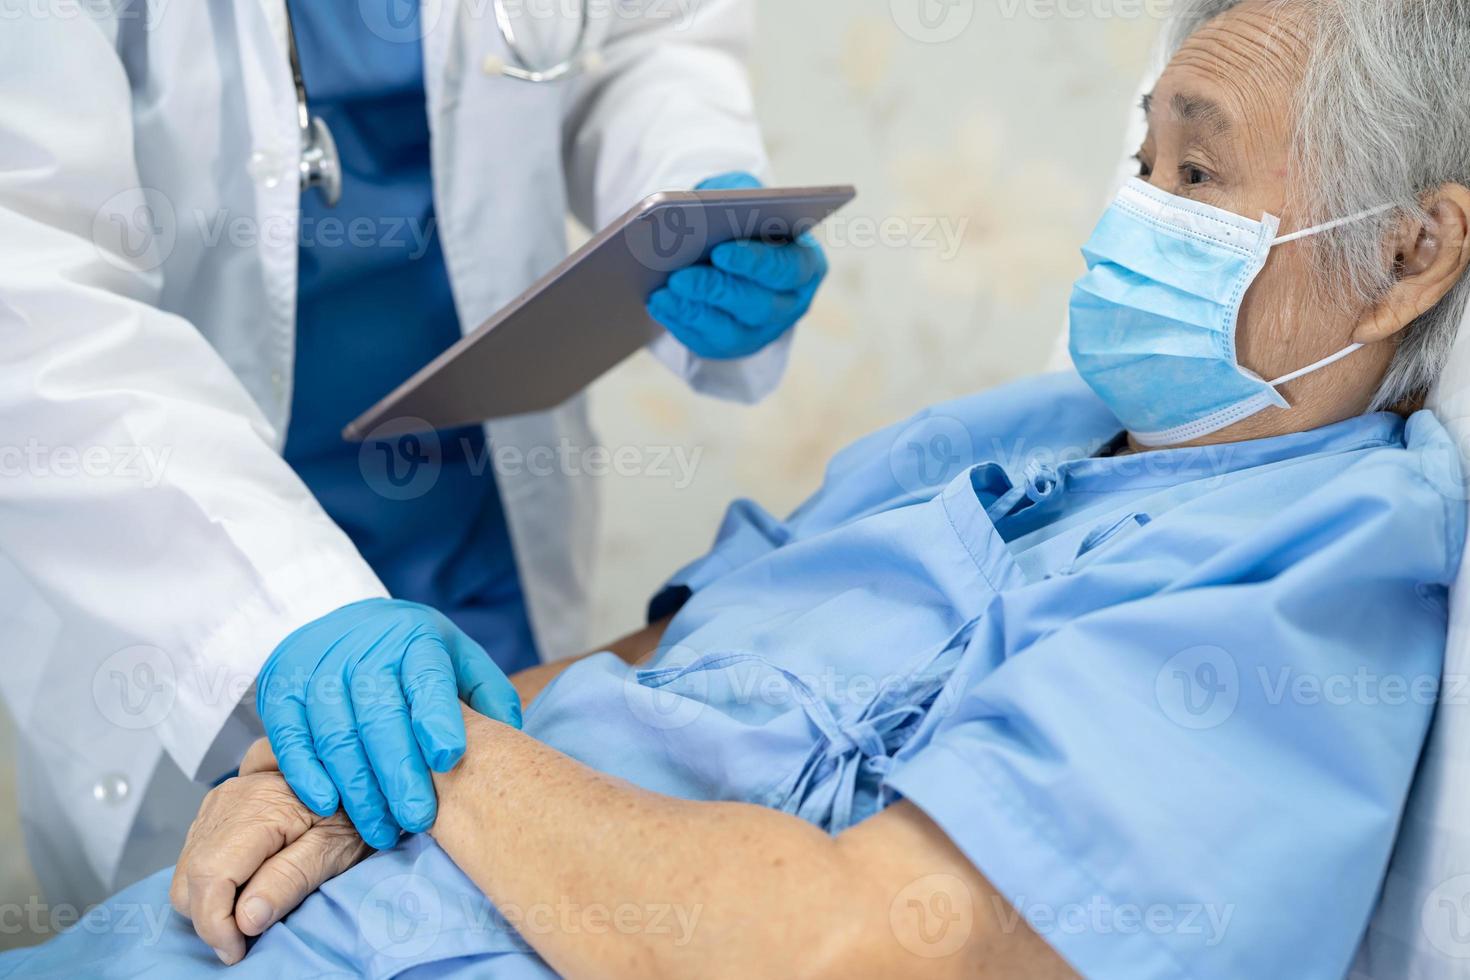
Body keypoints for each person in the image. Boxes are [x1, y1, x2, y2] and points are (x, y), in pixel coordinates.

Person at [4, 0, 1467, 977]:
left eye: (1192, 178)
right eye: (1135, 154)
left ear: (1410, 254)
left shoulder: (1297, 578)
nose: (1129, 213)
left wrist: (420, 756)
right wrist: (318, 763)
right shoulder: (1013, 438)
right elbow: (669, 649)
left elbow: (846, 949)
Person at [0, 0, 828, 907]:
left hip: (475, 527)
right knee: (236, 907)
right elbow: (30, 296)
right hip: (192, 567)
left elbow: (649, 36)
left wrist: (686, 187)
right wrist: (288, 606)